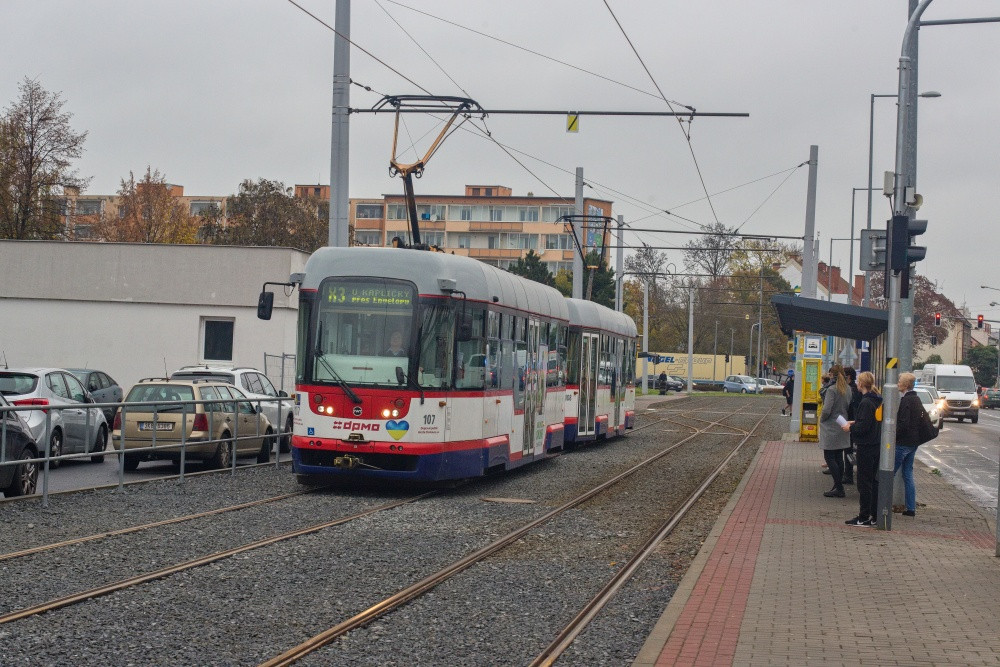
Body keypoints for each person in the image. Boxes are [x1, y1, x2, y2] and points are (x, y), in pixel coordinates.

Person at [843, 371, 882, 526]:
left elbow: (863, 427)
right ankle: (874, 515)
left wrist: (850, 428)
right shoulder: (876, 400)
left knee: (864, 483)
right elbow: (870, 422)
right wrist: (855, 422)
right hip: (876, 444)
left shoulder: (866, 402)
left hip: (866, 446)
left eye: (858, 382)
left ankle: (864, 516)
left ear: (861, 384)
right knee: (873, 481)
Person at [819, 365, 851, 498]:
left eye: (830, 374)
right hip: (842, 423)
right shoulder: (848, 389)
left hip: (831, 425)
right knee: (839, 456)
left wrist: (822, 418)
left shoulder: (831, 390)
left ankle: (839, 487)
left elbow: (827, 409)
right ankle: (837, 486)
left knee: (829, 457)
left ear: (833, 375)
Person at [894, 371, 923, 517]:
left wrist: (893, 435)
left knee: (888, 472)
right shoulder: (916, 399)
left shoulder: (906, 400)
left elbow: (903, 424)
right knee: (908, 474)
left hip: (903, 443)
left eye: (900, 381)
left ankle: (880, 505)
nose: (898, 383)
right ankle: (911, 508)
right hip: (913, 442)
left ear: (905, 385)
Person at [842, 367, 862, 485]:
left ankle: (848, 474)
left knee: (848, 449)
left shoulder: (851, 390)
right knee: (848, 449)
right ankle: (848, 473)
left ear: (848, 376)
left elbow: (852, 407)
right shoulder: (853, 389)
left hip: (851, 423)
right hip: (852, 422)